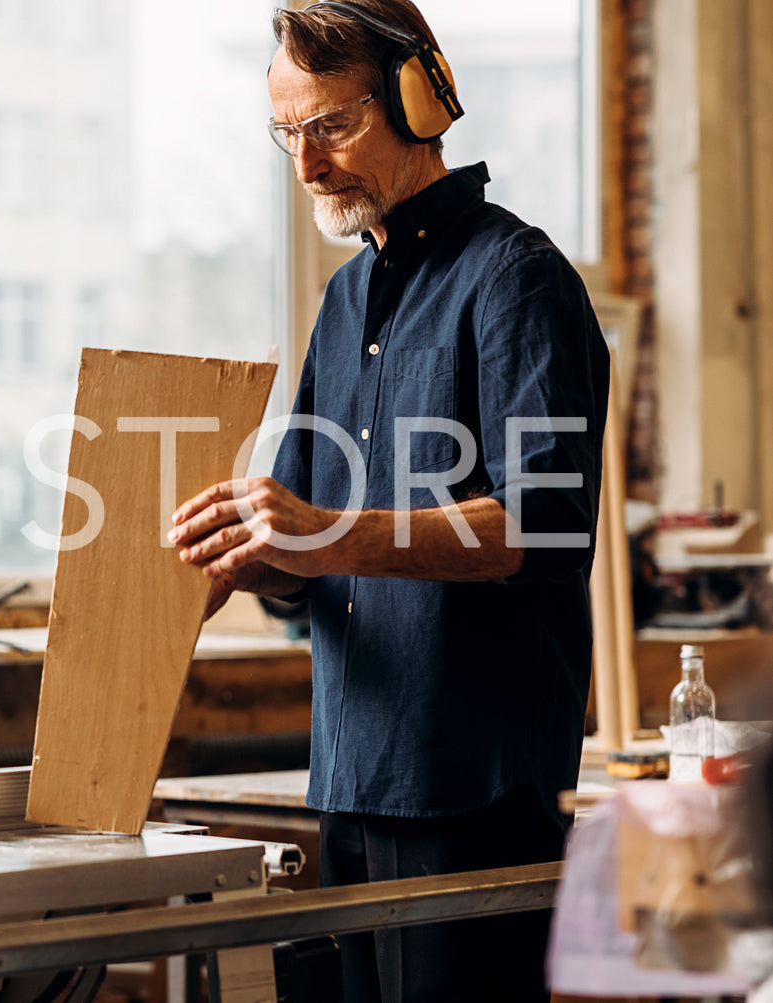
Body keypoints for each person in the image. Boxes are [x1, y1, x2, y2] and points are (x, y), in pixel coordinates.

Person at [169, 2, 609, 1000]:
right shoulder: (343, 300)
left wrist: (321, 533)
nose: (307, 168)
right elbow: (308, 545)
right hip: (350, 776)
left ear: (420, 98)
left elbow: (532, 525)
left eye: (329, 126)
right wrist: (237, 557)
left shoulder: (515, 281)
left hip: (471, 790)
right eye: (288, 135)